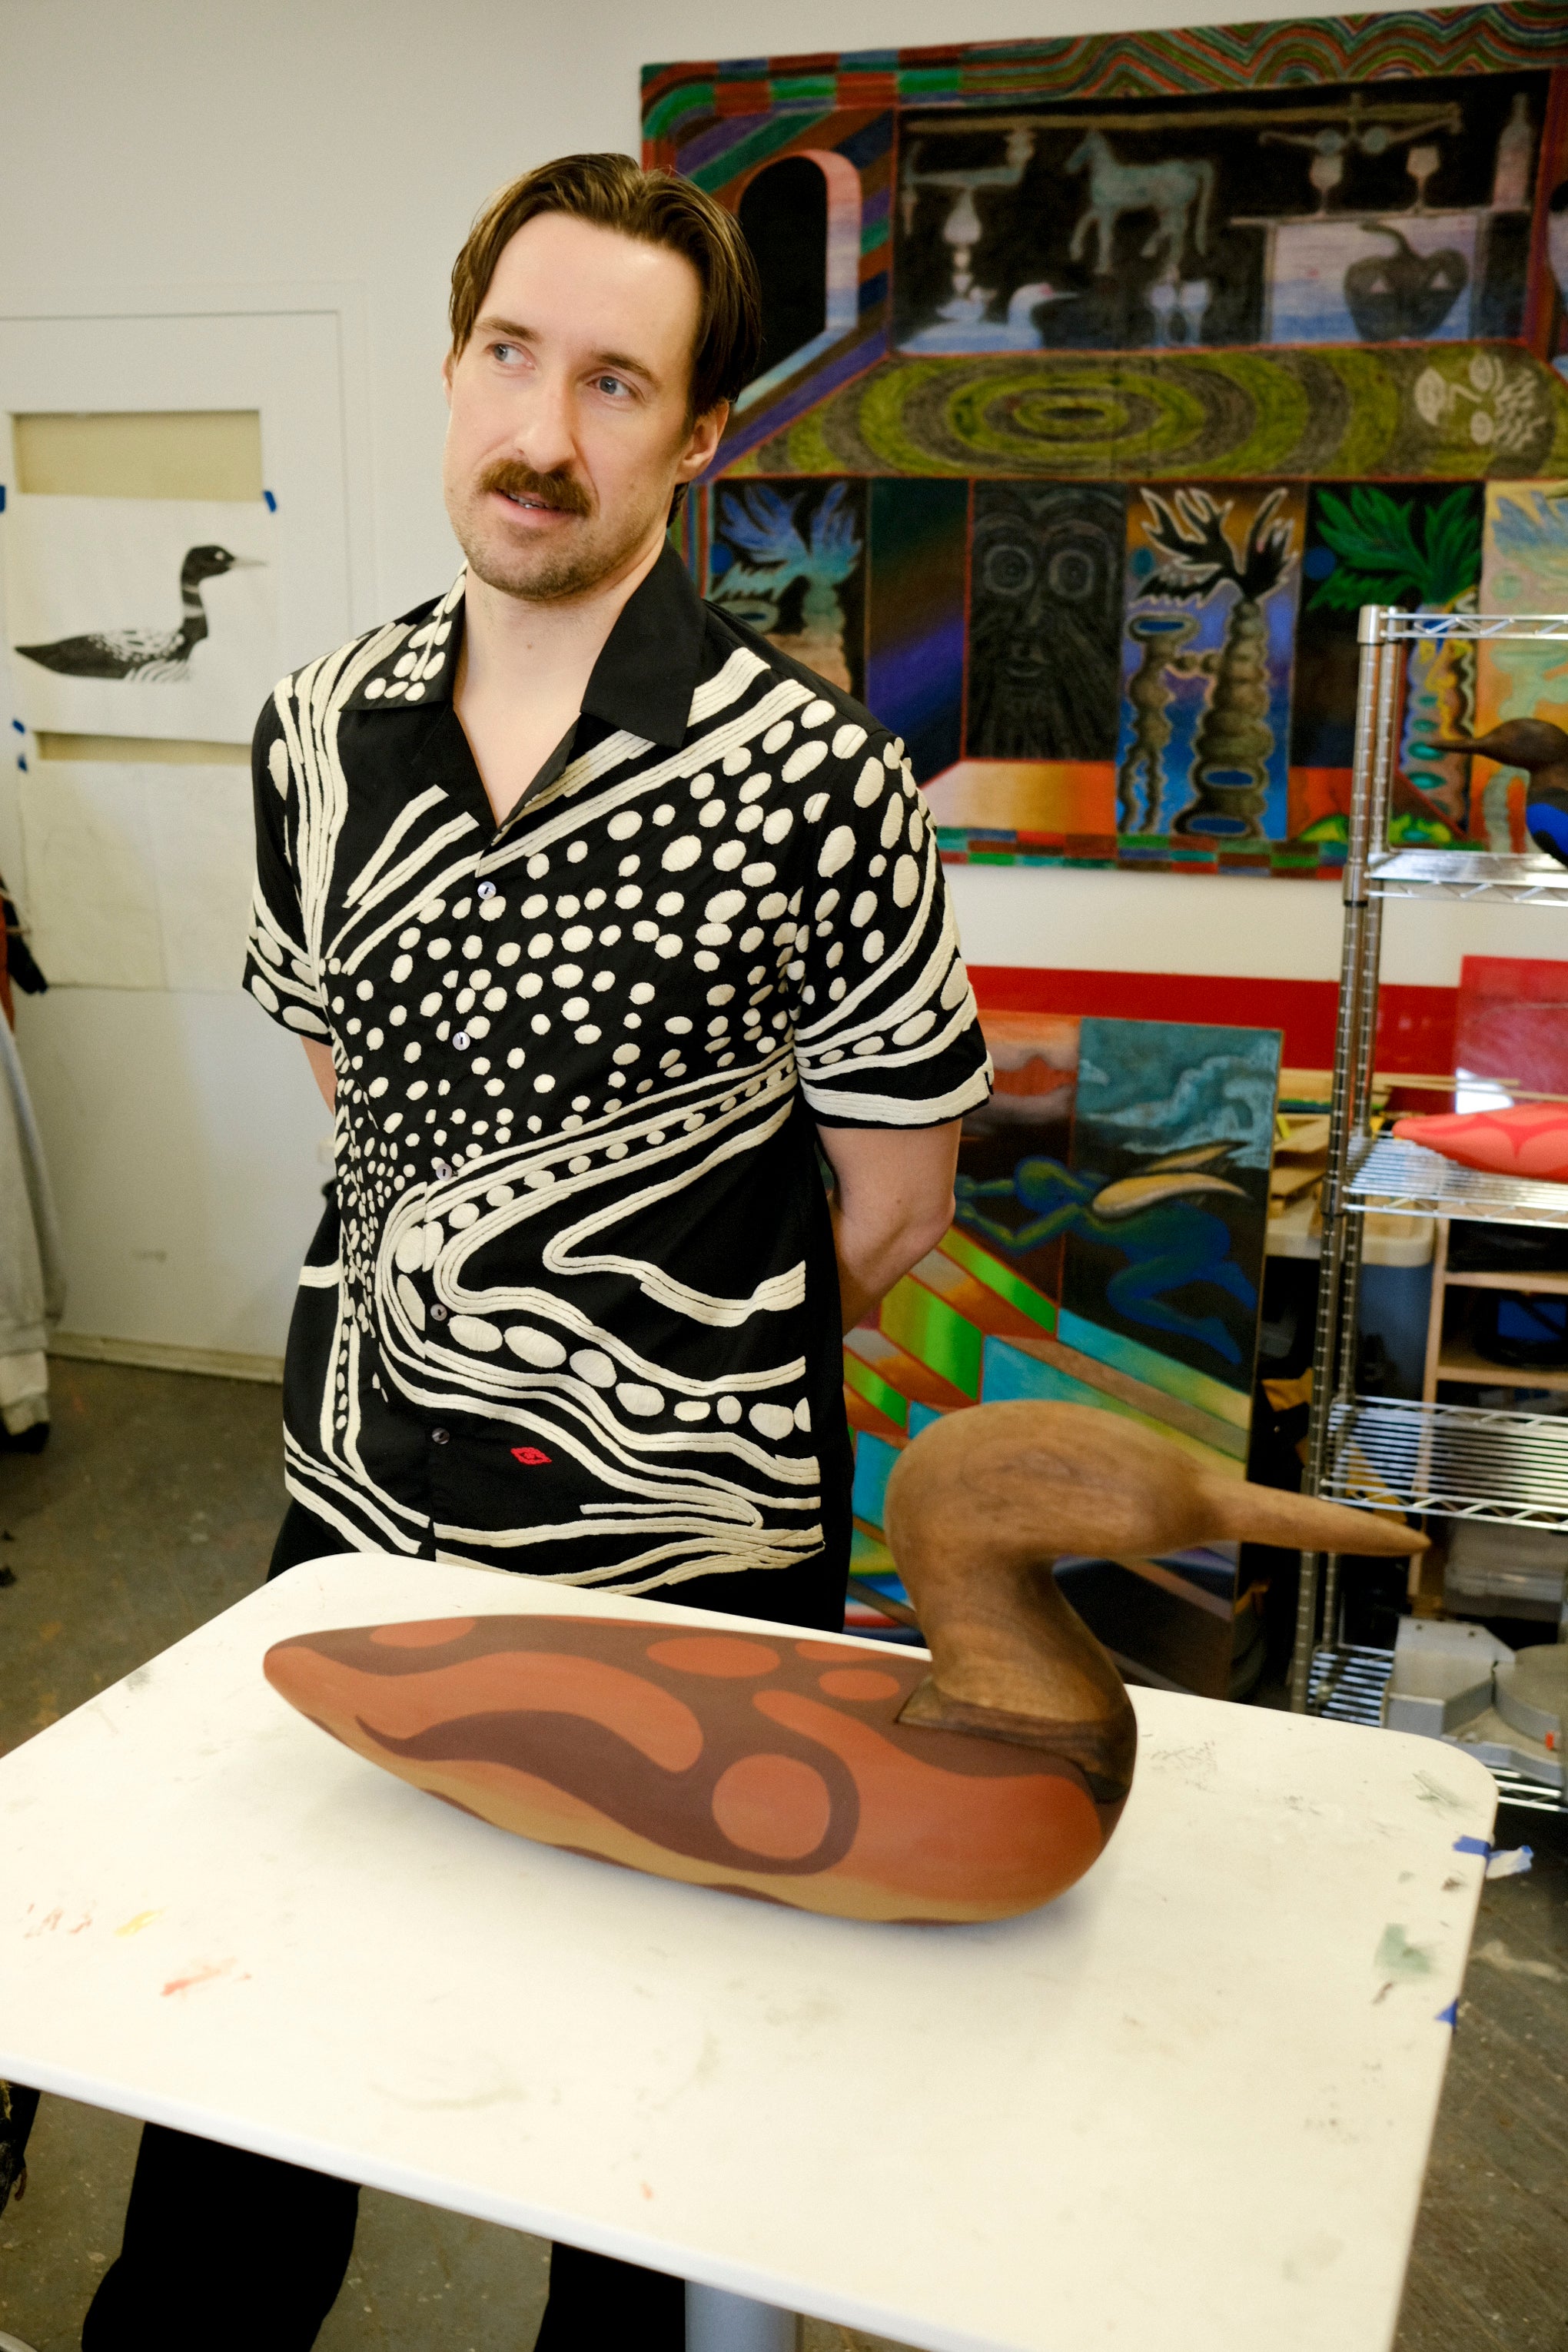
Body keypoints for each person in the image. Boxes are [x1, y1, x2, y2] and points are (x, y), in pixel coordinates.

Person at [83, 151, 990, 2351]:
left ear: (695, 439)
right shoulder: (315, 730)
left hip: (692, 1563)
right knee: (248, 2063)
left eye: (614, 384)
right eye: (510, 355)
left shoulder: (817, 774)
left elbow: (894, 1201)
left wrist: (636, 1358)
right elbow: (351, 1088)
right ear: (453, 363)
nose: (541, 432)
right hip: (361, 1514)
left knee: (647, 2139)